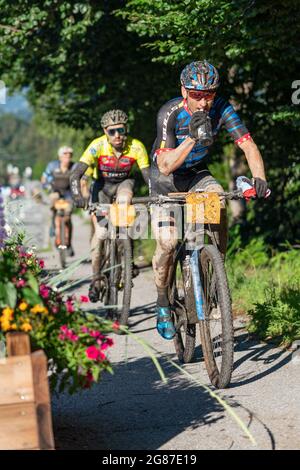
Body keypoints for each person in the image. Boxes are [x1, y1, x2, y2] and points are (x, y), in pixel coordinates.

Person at [150, 60, 268, 340]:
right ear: (184, 91)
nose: (203, 102)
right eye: (196, 95)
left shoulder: (221, 108)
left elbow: (248, 144)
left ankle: (215, 263)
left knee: (220, 202)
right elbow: (165, 165)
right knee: (168, 243)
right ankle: (162, 302)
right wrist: (191, 138)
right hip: (165, 181)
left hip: (196, 176)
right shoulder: (171, 112)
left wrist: (259, 178)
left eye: (209, 95)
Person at [70, 109, 150, 302]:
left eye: (121, 130)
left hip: (124, 184)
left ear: (126, 129)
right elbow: (75, 174)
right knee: (100, 235)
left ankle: (128, 258)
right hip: (102, 189)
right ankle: (96, 279)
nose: (117, 135)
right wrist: (78, 195)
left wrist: (155, 197)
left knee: (125, 206)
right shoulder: (97, 146)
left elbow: (150, 179)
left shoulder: (136, 147)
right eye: (112, 131)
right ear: (105, 131)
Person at [41, 146, 84, 256]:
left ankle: (68, 243)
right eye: (64, 155)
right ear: (59, 157)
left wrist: (81, 191)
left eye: (69, 156)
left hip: (69, 194)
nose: (67, 158)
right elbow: (44, 178)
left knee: (68, 216)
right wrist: (48, 188)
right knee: (53, 207)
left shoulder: (74, 167)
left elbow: (81, 179)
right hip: (55, 192)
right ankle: (53, 227)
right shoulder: (52, 166)